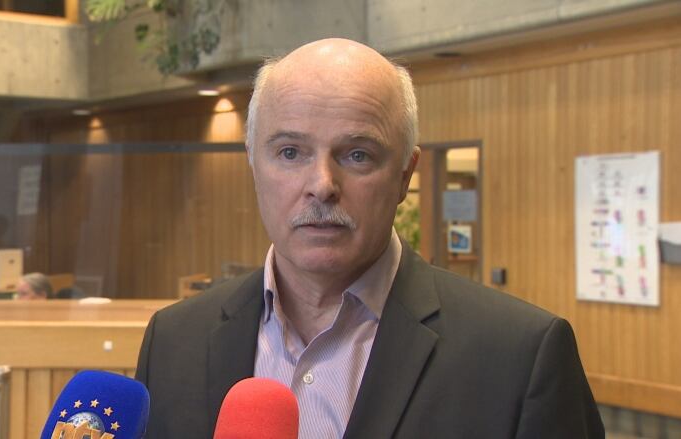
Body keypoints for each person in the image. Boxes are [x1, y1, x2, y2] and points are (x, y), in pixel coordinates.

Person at [136, 38, 604, 438]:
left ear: (405, 175)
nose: (322, 183)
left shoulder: (520, 357)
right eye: (290, 151)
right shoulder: (175, 340)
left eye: (357, 154)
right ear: (253, 165)